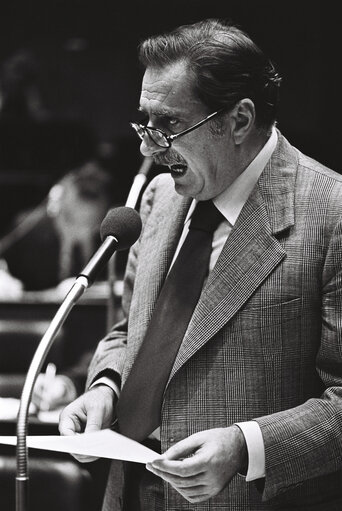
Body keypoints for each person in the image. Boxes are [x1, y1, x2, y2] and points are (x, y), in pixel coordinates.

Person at [59, 18, 342, 511]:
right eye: (144, 121)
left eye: (169, 124)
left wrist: (246, 446)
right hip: (127, 494)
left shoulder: (331, 214)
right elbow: (132, 332)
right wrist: (106, 385)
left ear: (238, 120)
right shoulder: (158, 198)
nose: (148, 147)